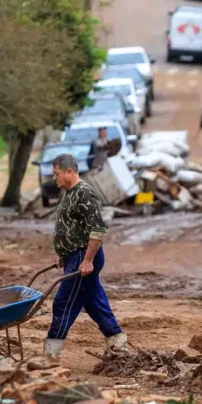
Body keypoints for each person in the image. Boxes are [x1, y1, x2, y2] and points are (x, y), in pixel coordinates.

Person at [44, 153, 128, 360]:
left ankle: (51, 355)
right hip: (75, 256)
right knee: (94, 302)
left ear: (69, 172)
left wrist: (87, 260)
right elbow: (71, 227)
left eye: (56, 174)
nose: (54, 178)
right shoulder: (69, 193)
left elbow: (98, 230)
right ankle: (118, 344)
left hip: (84, 257)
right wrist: (62, 253)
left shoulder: (84, 193)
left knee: (63, 303)